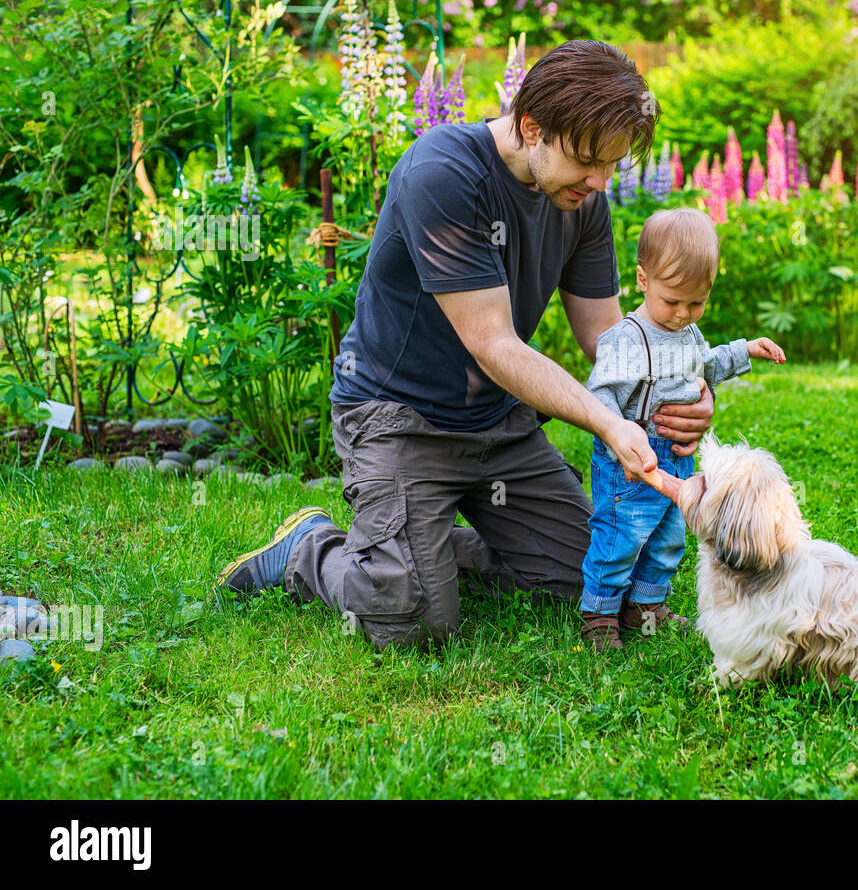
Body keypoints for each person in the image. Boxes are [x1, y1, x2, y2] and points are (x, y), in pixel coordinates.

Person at [214, 41, 716, 651]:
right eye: (588, 162)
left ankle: (411, 551)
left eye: (611, 166)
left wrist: (680, 393)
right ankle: (312, 550)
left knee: (581, 577)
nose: (599, 181)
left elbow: (609, 343)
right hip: (399, 420)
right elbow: (494, 345)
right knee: (412, 623)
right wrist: (610, 424)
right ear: (532, 126)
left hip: (498, 427)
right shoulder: (445, 173)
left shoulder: (583, 201)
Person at [579, 207, 785, 650]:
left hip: (678, 454)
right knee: (622, 534)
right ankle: (600, 613)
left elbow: (706, 365)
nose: (683, 313)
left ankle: (646, 606)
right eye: (672, 301)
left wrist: (746, 350)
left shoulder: (688, 333)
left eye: (697, 303)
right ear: (642, 279)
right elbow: (600, 394)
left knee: (669, 534)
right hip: (629, 460)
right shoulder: (626, 338)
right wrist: (617, 435)